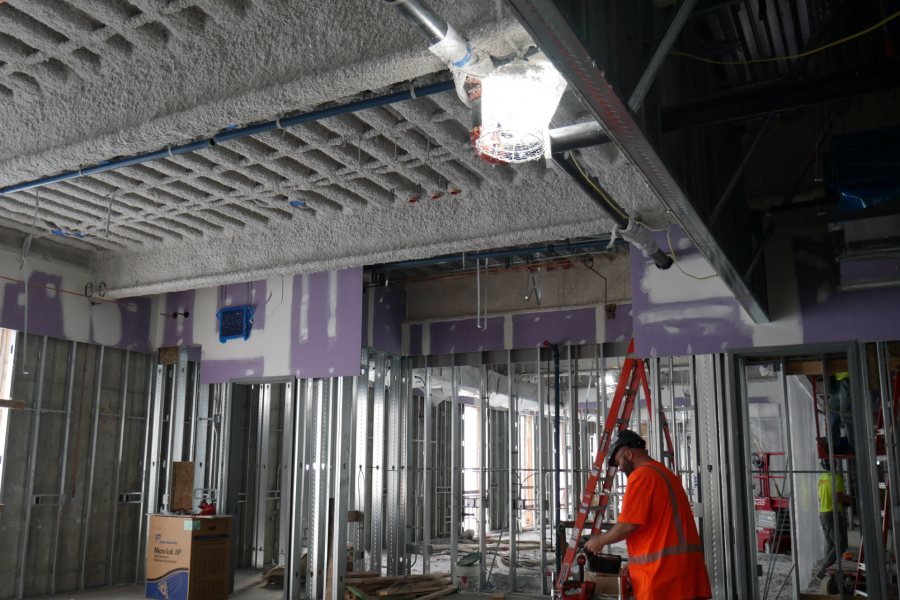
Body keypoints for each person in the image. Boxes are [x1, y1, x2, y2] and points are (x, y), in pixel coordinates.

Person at [584, 430, 711, 600]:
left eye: (619, 461)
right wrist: (635, 565)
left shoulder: (641, 476)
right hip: (685, 575)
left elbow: (629, 524)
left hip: (663, 579)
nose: (619, 468)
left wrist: (599, 541)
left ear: (628, 454)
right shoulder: (664, 473)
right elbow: (660, 526)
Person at [816, 459, 852, 579]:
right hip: (832, 514)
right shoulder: (837, 478)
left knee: (830, 544)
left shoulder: (821, 478)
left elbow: (821, 497)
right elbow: (839, 497)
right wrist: (850, 499)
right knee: (840, 544)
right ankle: (824, 568)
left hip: (823, 513)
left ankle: (827, 571)